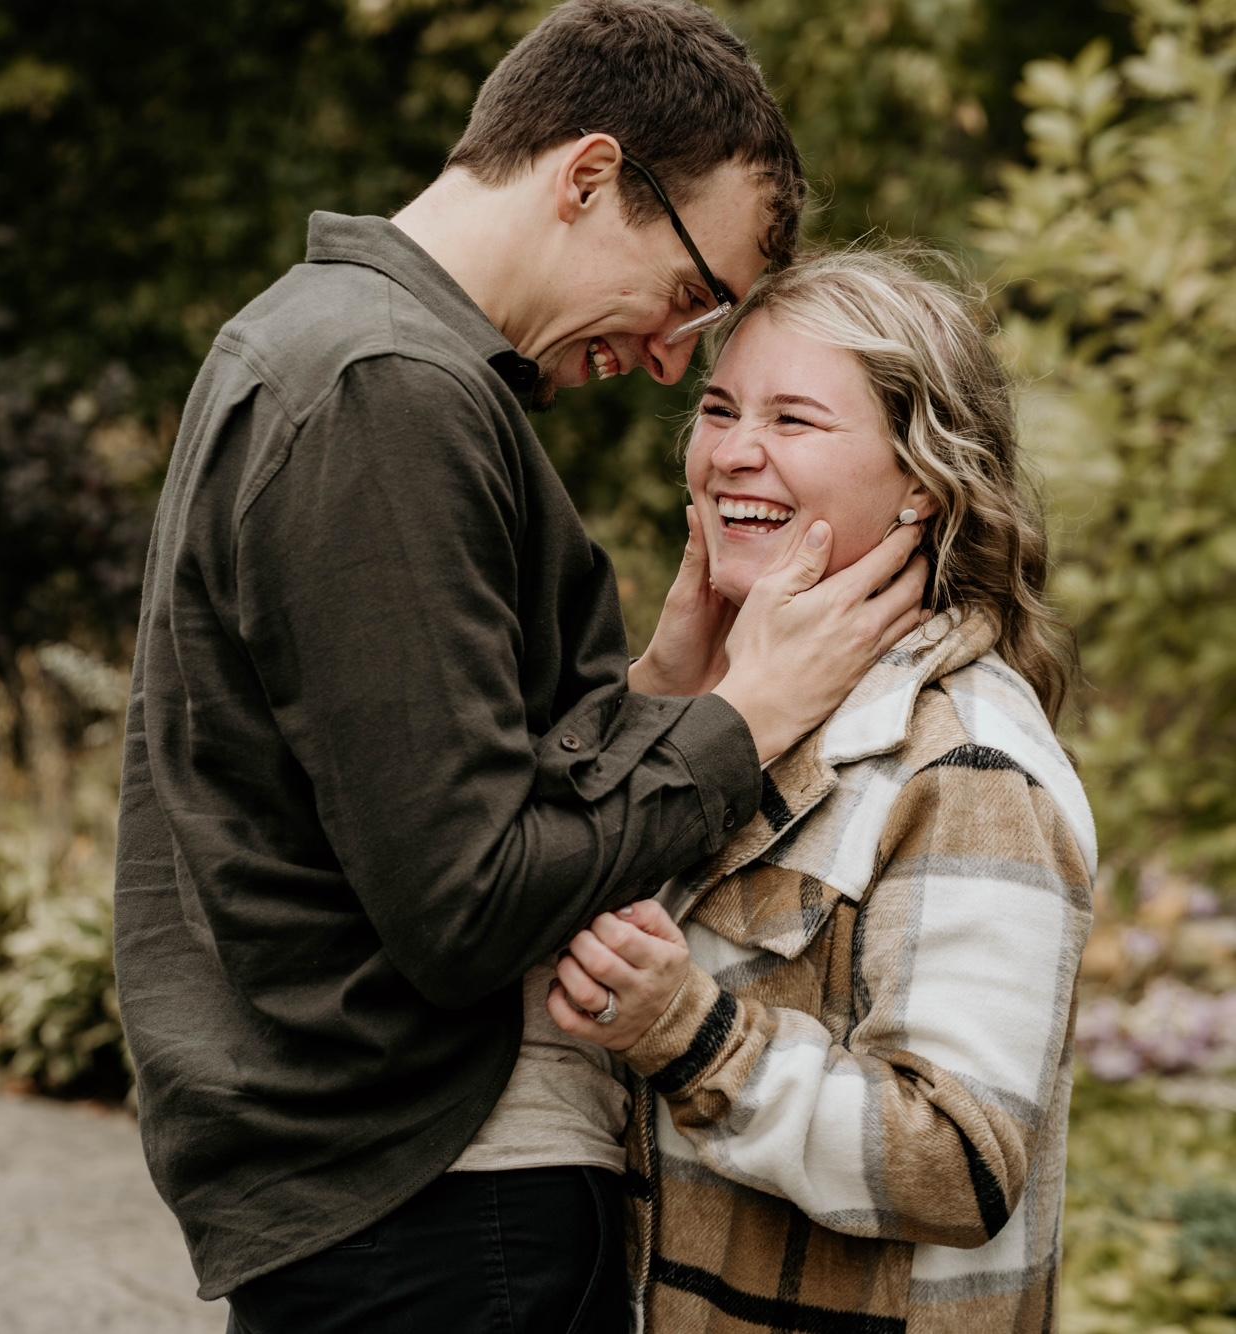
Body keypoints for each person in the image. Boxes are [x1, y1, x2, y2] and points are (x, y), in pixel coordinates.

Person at [114, 4, 929, 1331]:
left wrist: (657, 690)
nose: (670, 359)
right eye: (688, 294)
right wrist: (744, 716)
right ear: (589, 176)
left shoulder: (328, 344)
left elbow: (444, 789)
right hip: (441, 1199)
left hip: (401, 1203)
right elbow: (468, 903)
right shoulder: (386, 388)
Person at [550, 246, 1097, 1333]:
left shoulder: (965, 766)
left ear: (923, 480)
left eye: (793, 420)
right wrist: (662, 699)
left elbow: (963, 1162)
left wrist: (690, 1031)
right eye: (718, 409)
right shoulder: (735, 714)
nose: (731, 453)